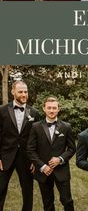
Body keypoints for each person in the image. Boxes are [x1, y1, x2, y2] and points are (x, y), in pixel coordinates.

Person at [27, 96, 75, 211]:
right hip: (44, 172)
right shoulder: (35, 127)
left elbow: (72, 148)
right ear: (44, 108)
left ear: (58, 109)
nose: (52, 110)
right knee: (47, 203)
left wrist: (60, 159)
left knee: (67, 201)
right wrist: (42, 166)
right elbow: (30, 149)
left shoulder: (66, 127)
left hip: (61, 170)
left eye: (54, 108)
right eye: (49, 108)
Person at [0, 80, 40, 211]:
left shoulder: (34, 113)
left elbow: (37, 139)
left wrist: (35, 160)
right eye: (20, 91)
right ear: (13, 92)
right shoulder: (2, 110)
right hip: (5, 156)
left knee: (28, 191)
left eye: (26, 92)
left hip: (26, 158)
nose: (24, 94)